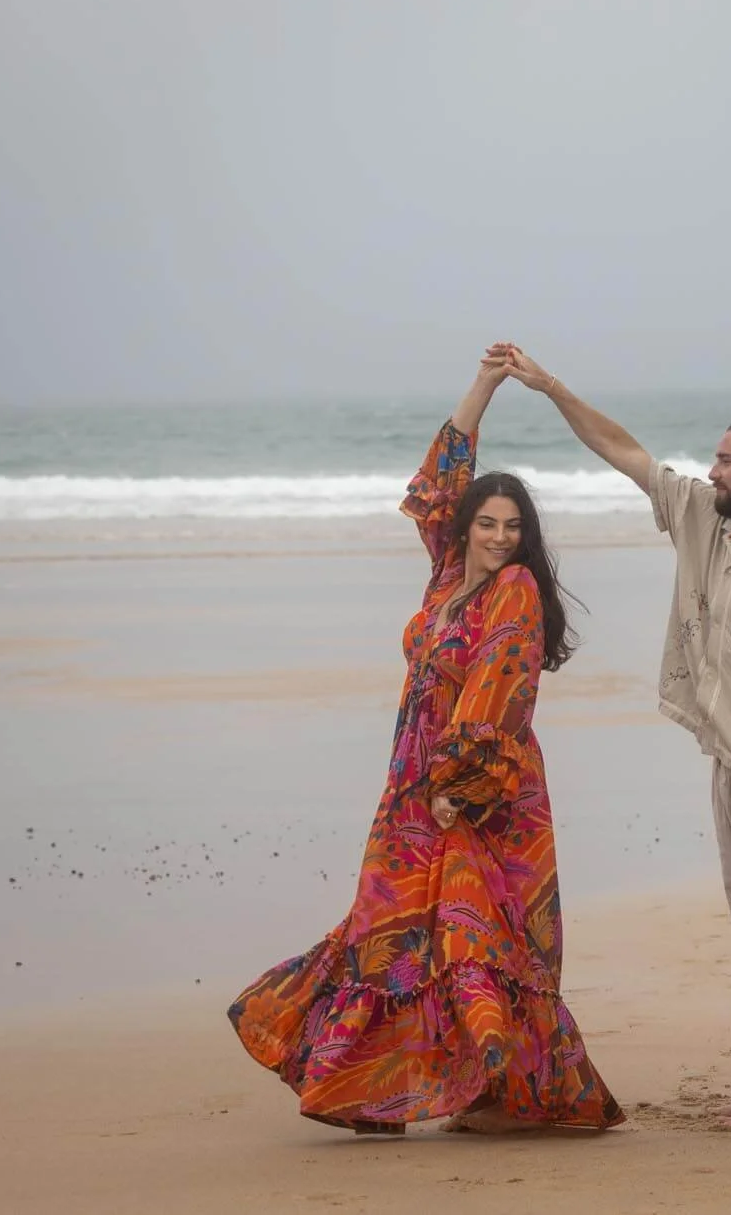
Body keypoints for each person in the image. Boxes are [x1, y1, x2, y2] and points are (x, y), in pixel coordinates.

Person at [228, 352, 625, 1137]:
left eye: (514, 528)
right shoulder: (447, 574)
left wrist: (460, 789)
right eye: (488, 523)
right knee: (393, 926)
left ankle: (499, 1090)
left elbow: (501, 691)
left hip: (480, 790)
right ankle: (371, 1091)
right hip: (412, 782)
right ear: (467, 527)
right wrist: (487, 385)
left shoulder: (514, 592)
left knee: (475, 935)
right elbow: (437, 480)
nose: (501, 538)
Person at [489, 342, 731, 1131]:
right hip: (726, 755)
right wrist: (551, 386)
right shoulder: (707, 526)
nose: (712, 469)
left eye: (726, 459)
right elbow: (626, 452)